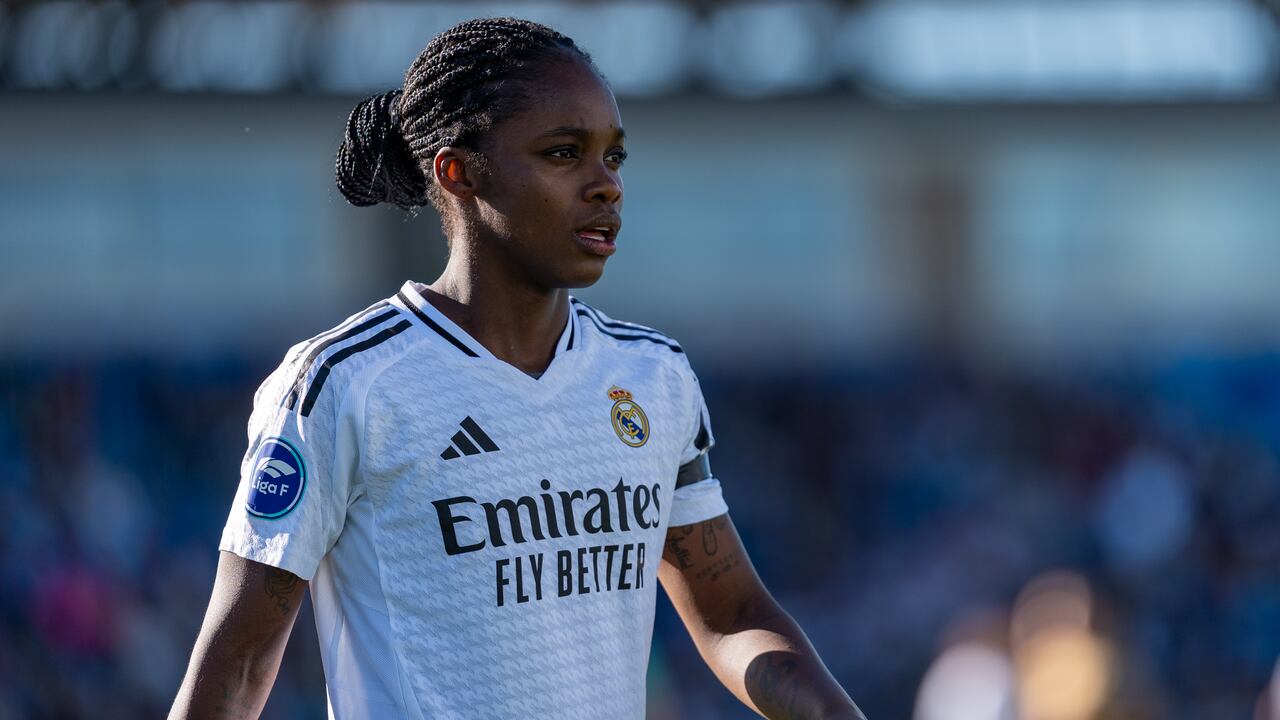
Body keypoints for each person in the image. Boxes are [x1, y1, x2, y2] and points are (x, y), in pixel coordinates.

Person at [170, 17, 865, 720]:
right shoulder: (343, 383)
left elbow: (729, 611)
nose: (605, 187)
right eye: (564, 154)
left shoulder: (653, 377)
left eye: (614, 158)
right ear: (459, 171)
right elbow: (242, 658)